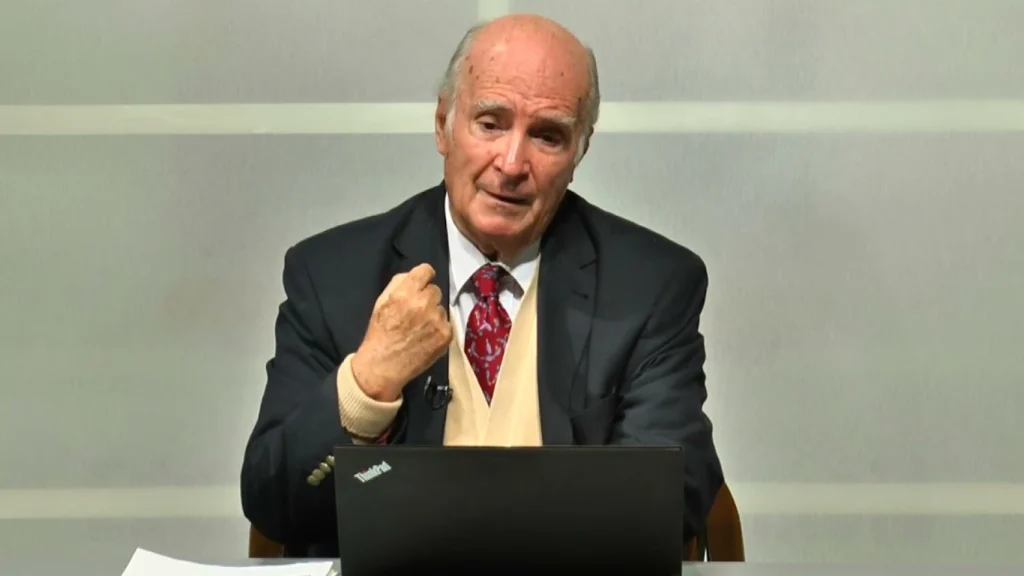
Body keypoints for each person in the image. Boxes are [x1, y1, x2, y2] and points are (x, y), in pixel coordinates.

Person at [240, 13, 723, 558]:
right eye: (491, 124)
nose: (512, 164)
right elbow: (272, 499)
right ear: (442, 125)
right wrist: (365, 386)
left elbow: (673, 494)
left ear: (580, 151)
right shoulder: (332, 274)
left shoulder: (652, 284)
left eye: (547, 135)